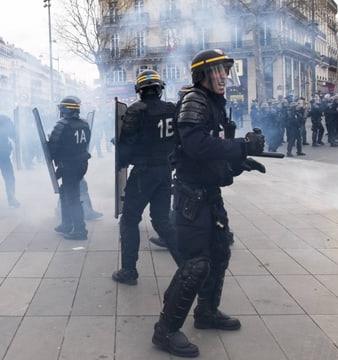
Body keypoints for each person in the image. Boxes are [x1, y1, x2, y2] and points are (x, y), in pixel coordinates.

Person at [151, 49, 265, 358]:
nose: (224, 76)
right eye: (218, 70)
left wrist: (241, 162)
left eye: (226, 70)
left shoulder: (214, 104)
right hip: (192, 198)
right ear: (202, 75)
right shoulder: (195, 101)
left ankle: (206, 313)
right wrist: (240, 145)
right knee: (195, 264)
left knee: (218, 254)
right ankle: (165, 331)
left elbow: (212, 153)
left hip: (209, 194)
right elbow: (197, 146)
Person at [112, 70, 181, 285]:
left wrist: (120, 154)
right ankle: (188, 265)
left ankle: (129, 271)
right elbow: (176, 138)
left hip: (143, 173)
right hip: (164, 171)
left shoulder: (136, 110)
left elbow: (127, 144)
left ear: (139, 90)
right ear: (160, 89)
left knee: (130, 219)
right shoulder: (171, 109)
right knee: (161, 220)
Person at [48, 96, 91, 240]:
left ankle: (80, 230)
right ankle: (66, 224)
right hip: (81, 164)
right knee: (64, 192)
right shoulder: (84, 124)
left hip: (69, 166)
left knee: (72, 197)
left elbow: (52, 148)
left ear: (64, 110)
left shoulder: (62, 125)